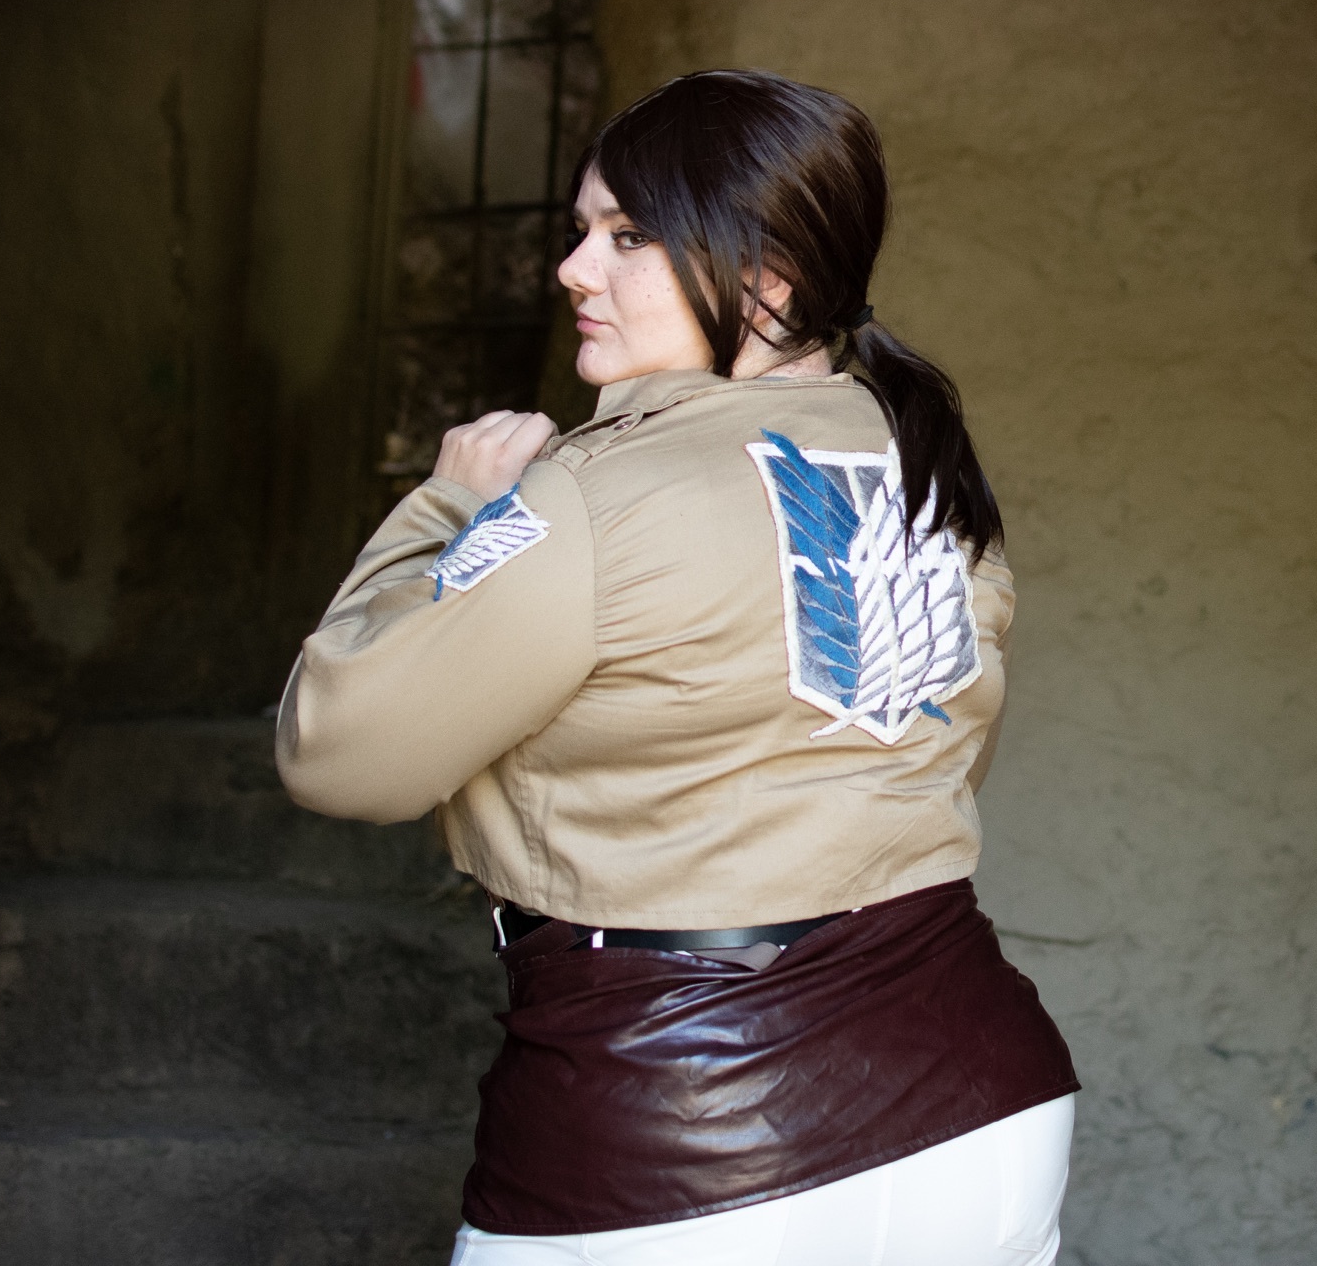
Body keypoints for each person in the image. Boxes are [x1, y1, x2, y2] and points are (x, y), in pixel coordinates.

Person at [275, 70, 1078, 1264]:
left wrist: (449, 505)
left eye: (627, 236)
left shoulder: (594, 495)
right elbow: (905, 762)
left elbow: (338, 753)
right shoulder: (928, 477)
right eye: (580, 230)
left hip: (689, 1136)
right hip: (984, 1107)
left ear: (768, 278)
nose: (572, 269)